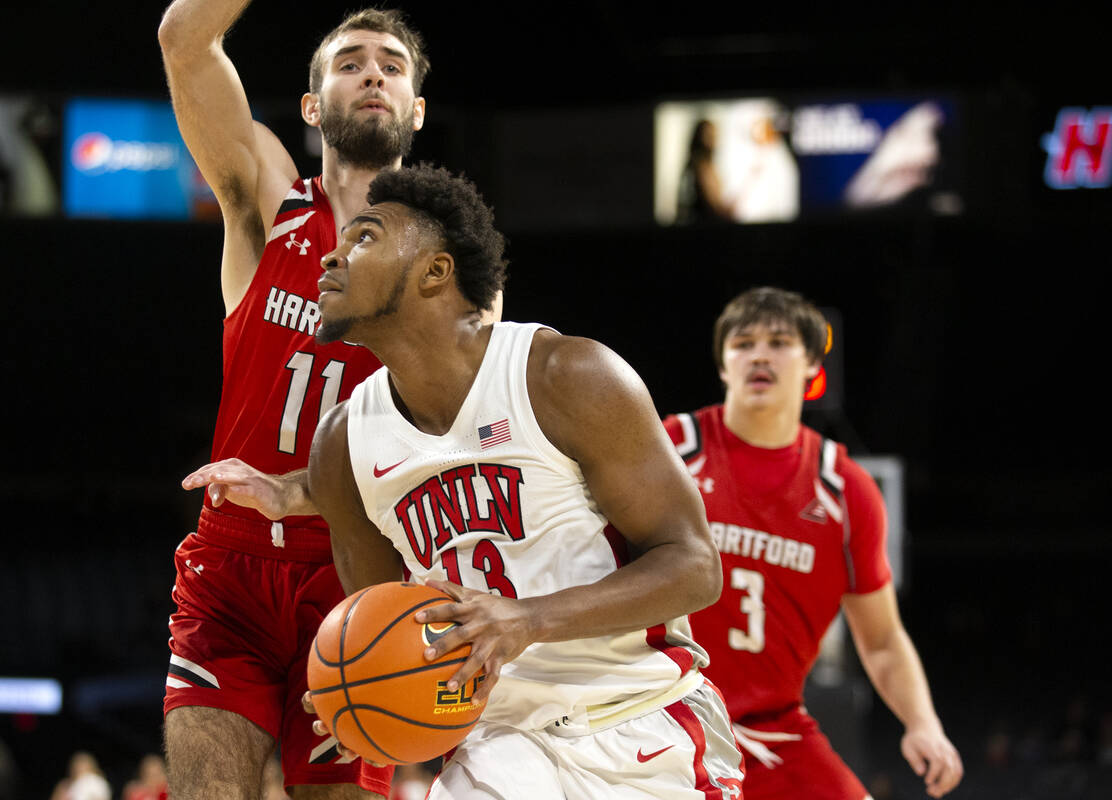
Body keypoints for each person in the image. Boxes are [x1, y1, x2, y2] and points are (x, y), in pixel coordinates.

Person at [212, 162, 745, 798]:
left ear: (436, 271)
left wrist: (527, 619)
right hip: (497, 747)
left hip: (638, 718)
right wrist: (363, 695)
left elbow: (693, 566)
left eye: (365, 238)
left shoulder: (565, 375)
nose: (331, 255)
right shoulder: (341, 446)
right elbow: (394, 629)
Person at [157, 4, 449, 798]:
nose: (373, 73)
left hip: (357, 567)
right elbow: (185, 40)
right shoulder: (268, 200)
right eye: (351, 61)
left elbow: (457, 440)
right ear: (314, 104)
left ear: (416, 109)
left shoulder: (445, 269)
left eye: (392, 64)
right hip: (234, 562)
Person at [661, 286, 964, 799]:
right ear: (722, 366)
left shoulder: (845, 489)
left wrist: (923, 722)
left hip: (773, 730)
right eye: (742, 343)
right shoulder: (671, 449)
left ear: (812, 368)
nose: (759, 353)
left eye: (779, 342)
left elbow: (883, 639)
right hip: (663, 717)